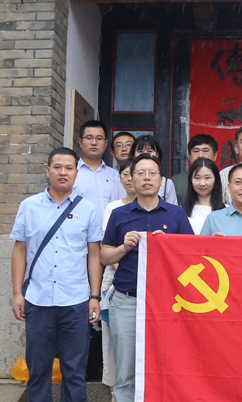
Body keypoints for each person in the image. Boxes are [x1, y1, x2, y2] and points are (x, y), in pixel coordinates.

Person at [10, 147, 103, 402]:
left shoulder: (89, 209)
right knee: (38, 369)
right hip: (38, 300)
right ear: (47, 170)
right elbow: (20, 250)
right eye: (58, 167)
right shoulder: (29, 206)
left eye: (69, 168)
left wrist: (94, 296)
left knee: (75, 370)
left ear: (76, 173)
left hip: (75, 301)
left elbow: (94, 255)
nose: (63, 172)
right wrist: (17, 294)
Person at [101, 153, 195, 402]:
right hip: (127, 300)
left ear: (161, 180)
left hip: (167, 303)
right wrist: (124, 247)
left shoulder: (176, 214)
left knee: (165, 366)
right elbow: (104, 257)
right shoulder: (119, 214)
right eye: (140, 173)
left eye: (152, 173)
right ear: (131, 179)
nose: (147, 178)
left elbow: (192, 256)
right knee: (125, 371)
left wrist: (169, 246)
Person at [99, 158, 138, 395]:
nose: (132, 178)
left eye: (137, 173)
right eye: (126, 174)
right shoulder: (114, 209)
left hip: (152, 290)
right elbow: (106, 250)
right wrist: (123, 262)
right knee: (117, 346)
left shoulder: (169, 212)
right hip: (119, 285)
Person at [74, 120, 124, 211]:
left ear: (105, 143)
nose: (94, 143)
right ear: (80, 142)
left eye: (99, 138)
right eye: (89, 138)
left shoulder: (115, 175)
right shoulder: (71, 173)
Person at [180, 157, 225, 235]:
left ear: (216, 180)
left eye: (207, 178)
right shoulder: (180, 211)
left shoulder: (227, 211)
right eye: (197, 178)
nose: (202, 183)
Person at [129, 135, 179, 205]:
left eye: (150, 151)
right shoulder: (124, 180)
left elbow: (172, 208)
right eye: (140, 151)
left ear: (157, 154)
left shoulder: (167, 183)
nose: (145, 154)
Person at [172, 134, 219, 204]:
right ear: (189, 156)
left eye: (205, 151)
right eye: (196, 151)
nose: (200, 155)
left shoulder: (223, 180)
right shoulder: (175, 182)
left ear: (215, 155)